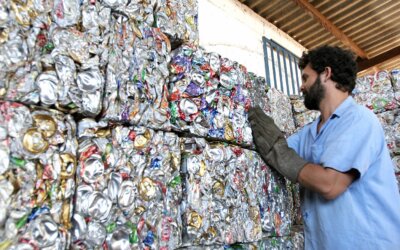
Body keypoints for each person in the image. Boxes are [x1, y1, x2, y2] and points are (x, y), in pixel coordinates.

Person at [249, 45, 400, 249]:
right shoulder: (309, 134)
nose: (301, 87)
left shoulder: (359, 120)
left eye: (305, 78)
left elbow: (331, 185)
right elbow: (276, 148)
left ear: (326, 74)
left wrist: (282, 154)